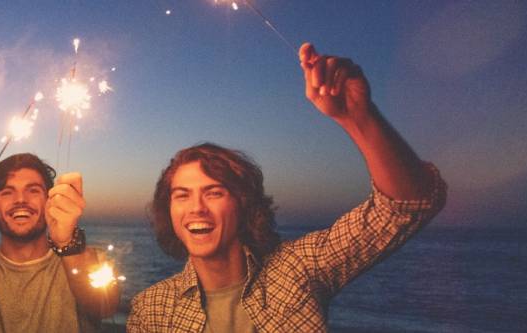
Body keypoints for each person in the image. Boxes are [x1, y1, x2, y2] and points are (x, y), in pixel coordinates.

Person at [126, 43, 447, 332]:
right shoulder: (151, 310)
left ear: (243, 204)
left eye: (214, 192)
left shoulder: (298, 270)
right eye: (182, 195)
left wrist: (358, 117)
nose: (195, 208)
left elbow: (406, 205)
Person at [0, 145, 120, 332]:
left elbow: (104, 306)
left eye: (33, 190)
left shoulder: (87, 261)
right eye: (7, 192)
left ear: (50, 202)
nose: (20, 199)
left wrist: (66, 243)